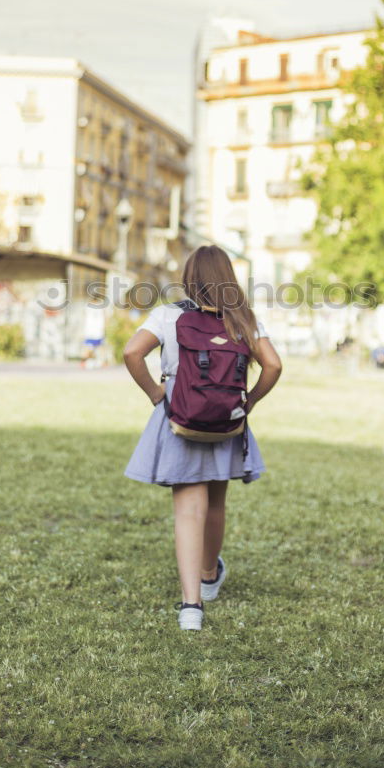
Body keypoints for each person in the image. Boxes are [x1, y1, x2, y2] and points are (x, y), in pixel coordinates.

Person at [123, 245, 282, 631]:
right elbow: (274, 365)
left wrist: (156, 395)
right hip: (228, 423)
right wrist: (250, 402)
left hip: (181, 419)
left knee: (188, 510)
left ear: (189, 276)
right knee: (215, 504)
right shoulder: (242, 319)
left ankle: (191, 607)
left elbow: (131, 353)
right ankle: (209, 576)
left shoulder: (167, 315)